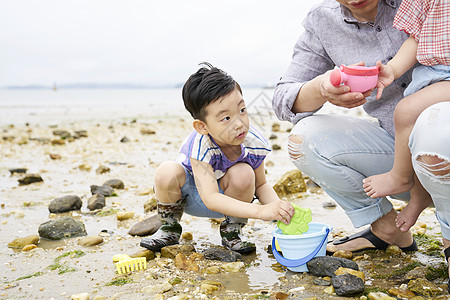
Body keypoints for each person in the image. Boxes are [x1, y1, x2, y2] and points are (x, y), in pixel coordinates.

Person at [272, 0, 449, 277]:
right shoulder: (323, 21)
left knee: (435, 128)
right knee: (304, 139)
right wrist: (322, 88)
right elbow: (283, 98)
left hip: (443, 148)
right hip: (398, 157)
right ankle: (388, 229)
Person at [140, 62, 295, 254]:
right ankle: (169, 228)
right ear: (202, 127)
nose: (239, 124)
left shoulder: (252, 142)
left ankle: (232, 231)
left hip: (232, 201)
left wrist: (278, 209)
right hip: (192, 197)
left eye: (242, 110)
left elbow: (261, 185)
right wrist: (260, 212)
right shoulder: (201, 146)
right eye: (226, 118)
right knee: (167, 171)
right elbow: (211, 198)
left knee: (245, 173)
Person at [363, 0, 450, 233]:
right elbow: (416, 37)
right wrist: (392, 70)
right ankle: (419, 196)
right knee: (420, 136)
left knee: (406, 111)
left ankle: (400, 177)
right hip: (431, 73)